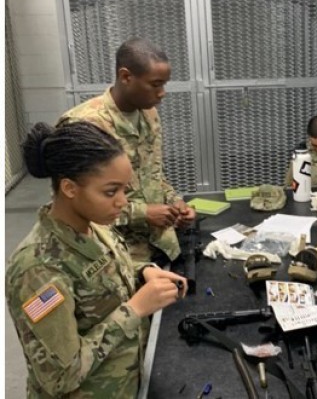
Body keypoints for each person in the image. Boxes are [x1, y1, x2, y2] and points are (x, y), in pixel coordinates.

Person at [6, 121, 188, 397]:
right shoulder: (38, 269)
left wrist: (144, 273)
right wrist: (134, 310)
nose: (123, 202)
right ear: (69, 188)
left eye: (125, 190)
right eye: (110, 192)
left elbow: (107, 272)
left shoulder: (95, 226)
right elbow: (61, 377)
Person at [57, 37, 196, 265]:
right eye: (155, 84)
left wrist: (175, 204)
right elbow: (74, 205)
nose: (162, 93)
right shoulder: (84, 125)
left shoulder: (148, 115)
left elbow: (153, 175)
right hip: (115, 258)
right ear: (126, 77)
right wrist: (143, 213)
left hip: (160, 245)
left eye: (164, 85)